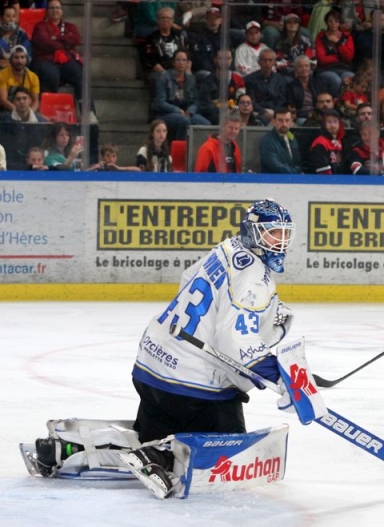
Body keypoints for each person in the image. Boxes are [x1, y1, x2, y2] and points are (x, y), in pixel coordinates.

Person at [29, 198, 297, 497]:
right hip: (192, 389)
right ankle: (160, 457)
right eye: (273, 232)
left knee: (150, 437)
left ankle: (68, 450)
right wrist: (279, 374)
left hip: (152, 369)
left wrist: (269, 316)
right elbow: (237, 341)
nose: (280, 241)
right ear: (252, 232)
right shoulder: (255, 278)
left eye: (285, 233)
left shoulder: (228, 248)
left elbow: (190, 283)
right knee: (224, 458)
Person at [30, 1, 85, 101]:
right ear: (47, 11)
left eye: (57, 8)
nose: (55, 10)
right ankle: (51, 106)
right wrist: (65, 43)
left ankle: (88, 111)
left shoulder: (70, 26)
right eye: (52, 8)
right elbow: (45, 43)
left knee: (78, 72)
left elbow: (76, 39)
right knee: (50, 73)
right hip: (44, 60)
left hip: (65, 60)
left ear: (62, 11)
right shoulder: (40, 26)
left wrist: (56, 37)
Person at [152, 50, 210, 141]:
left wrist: (190, 110)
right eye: (178, 60)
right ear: (173, 63)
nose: (181, 63)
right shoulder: (164, 77)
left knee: (206, 124)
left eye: (184, 60)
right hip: (165, 113)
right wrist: (177, 110)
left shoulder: (191, 79)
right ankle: (179, 150)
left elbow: (196, 100)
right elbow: (160, 102)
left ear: (188, 63)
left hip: (186, 112)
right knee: (184, 121)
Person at [141, 7, 187, 88]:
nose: (165, 20)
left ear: (172, 20)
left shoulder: (179, 37)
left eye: (168, 18)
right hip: (160, 71)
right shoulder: (151, 38)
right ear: (158, 20)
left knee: (191, 77)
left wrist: (186, 70)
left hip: (179, 70)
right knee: (161, 78)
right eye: (162, 18)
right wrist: (165, 73)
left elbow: (187, 55)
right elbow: (151, 61)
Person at [314, 10, 355, 97]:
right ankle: (334, 102)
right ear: (326, 23)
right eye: (330, 21)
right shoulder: (321, 36)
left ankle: (346, 103)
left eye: (336, 21)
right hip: (326, 69)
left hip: (344, 68)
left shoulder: (347, 36)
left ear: (339, 23)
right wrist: (339, 57)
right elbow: (322, 59)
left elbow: (349, 57)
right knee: (336, 80)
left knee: (351, 77)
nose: (333, 24)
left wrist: (338, 43)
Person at [244, 48, 288, 126]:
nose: (267, 63)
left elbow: (282, 99)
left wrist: (276, 113)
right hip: (256, 112)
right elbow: (251, 100)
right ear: (259, 62)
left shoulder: (280, 79)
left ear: (274, 62)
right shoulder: (250, 79)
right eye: (264, 60)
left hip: (276, 112)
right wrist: (263, 112)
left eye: (270, 60)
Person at [260, 107, 301, 174]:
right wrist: (296, 172)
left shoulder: (292, 138)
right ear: (274, 121)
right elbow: (274, 166)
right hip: (273, 180)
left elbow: (297, 161)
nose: (284, 124)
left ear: (291, 122)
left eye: (287, 120)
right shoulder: (267, 141)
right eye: (280, 120)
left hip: (292, 178)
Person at [0, 45, 39, 113]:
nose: (19, 61)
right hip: (7, 111)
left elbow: (35, 101)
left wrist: (30, 113)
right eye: (16, 57)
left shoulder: (33, 77)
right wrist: (18, 112)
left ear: (27, 60)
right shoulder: (2, 75)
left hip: (27, 111)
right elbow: (3, 100)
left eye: (22, 57)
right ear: (10, 60)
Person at [308, 108, 344, 174]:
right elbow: (323, 171)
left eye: (335, 121)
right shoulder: (320, 143)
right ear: (324, 124)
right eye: (329, 122)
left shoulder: (340, 141)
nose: (333, 125)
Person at [0, 4, 31, 69]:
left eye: (14, 16)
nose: (11, 19)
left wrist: (11, 63)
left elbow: (27, 56)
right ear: (1, 18)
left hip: (18, 66)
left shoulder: (21, 33)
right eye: (8, 16)